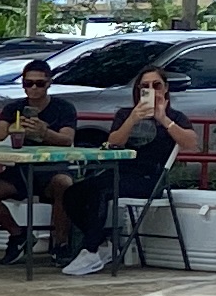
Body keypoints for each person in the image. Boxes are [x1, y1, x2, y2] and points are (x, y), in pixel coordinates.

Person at [62, 63, 192, 275]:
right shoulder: (126, 114)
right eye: (145, 87)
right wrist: (133, 118)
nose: (151, 91)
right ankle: (101, 243)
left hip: (152, 178)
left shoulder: (176, 117)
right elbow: (114, 142)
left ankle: (91, 249)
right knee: (73, 193)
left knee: (101, 191)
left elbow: (190, 143)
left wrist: (163, 119)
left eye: (156, 85)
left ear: (166, 88)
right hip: (121, 172)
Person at [0, 58, 83, 265]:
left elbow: (67, 140)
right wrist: (11, 126)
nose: (33, 88)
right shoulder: (14, 107)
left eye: (39, 83)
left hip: (52, 170)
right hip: (21, 171)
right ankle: (18, 235)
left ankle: (60, 243)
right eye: (28, 83)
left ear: (49, 83)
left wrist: (44, 132)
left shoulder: (64, 108)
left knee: (64, 185)